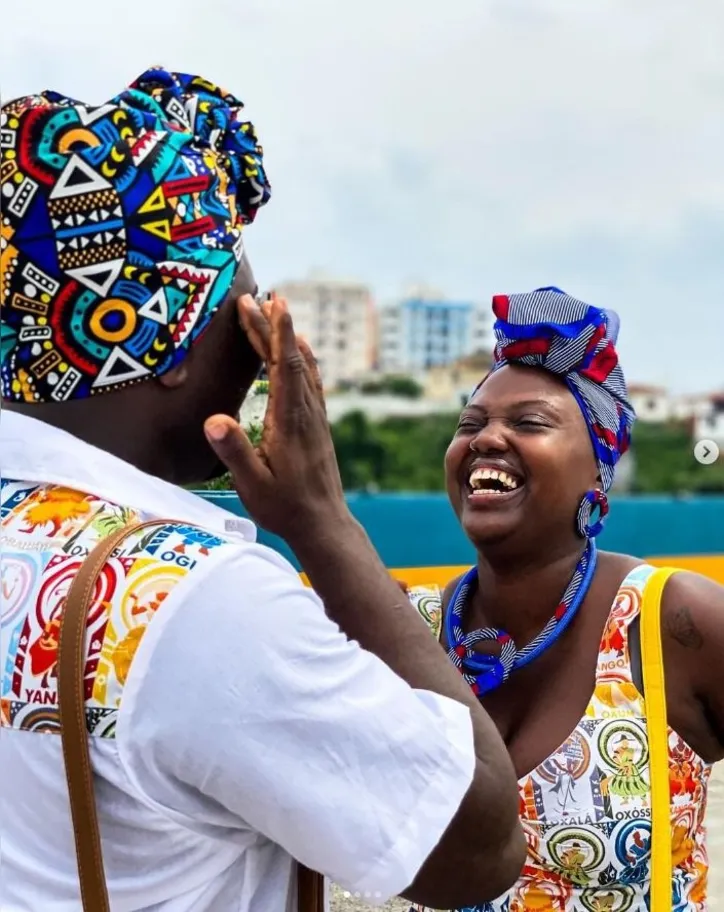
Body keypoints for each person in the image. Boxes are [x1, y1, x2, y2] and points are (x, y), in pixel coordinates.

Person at [0, 68, 525, 910]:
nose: (263, 340)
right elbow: (477, 842)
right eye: (245, 309)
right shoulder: (184, 601)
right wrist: (324, 524)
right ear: (166, 349)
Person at [396, 287, 724, 912]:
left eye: (529, 422)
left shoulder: (671, 622)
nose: (486, 439)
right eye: (470, 424)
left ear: (596, 470)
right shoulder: (410, 630)